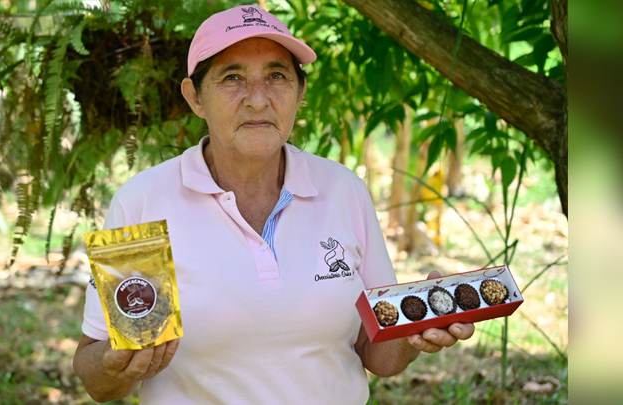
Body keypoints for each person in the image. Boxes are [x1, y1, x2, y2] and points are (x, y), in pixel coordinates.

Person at [73, 5, 475, 403]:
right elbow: (100, 379)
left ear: (300, 94)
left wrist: (414, 330)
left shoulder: (343, 191)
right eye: (232, 77)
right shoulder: (144, 202)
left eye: (277, 76)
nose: (258, 100)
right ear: (195, 97)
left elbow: (377, 353)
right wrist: (116, 366)